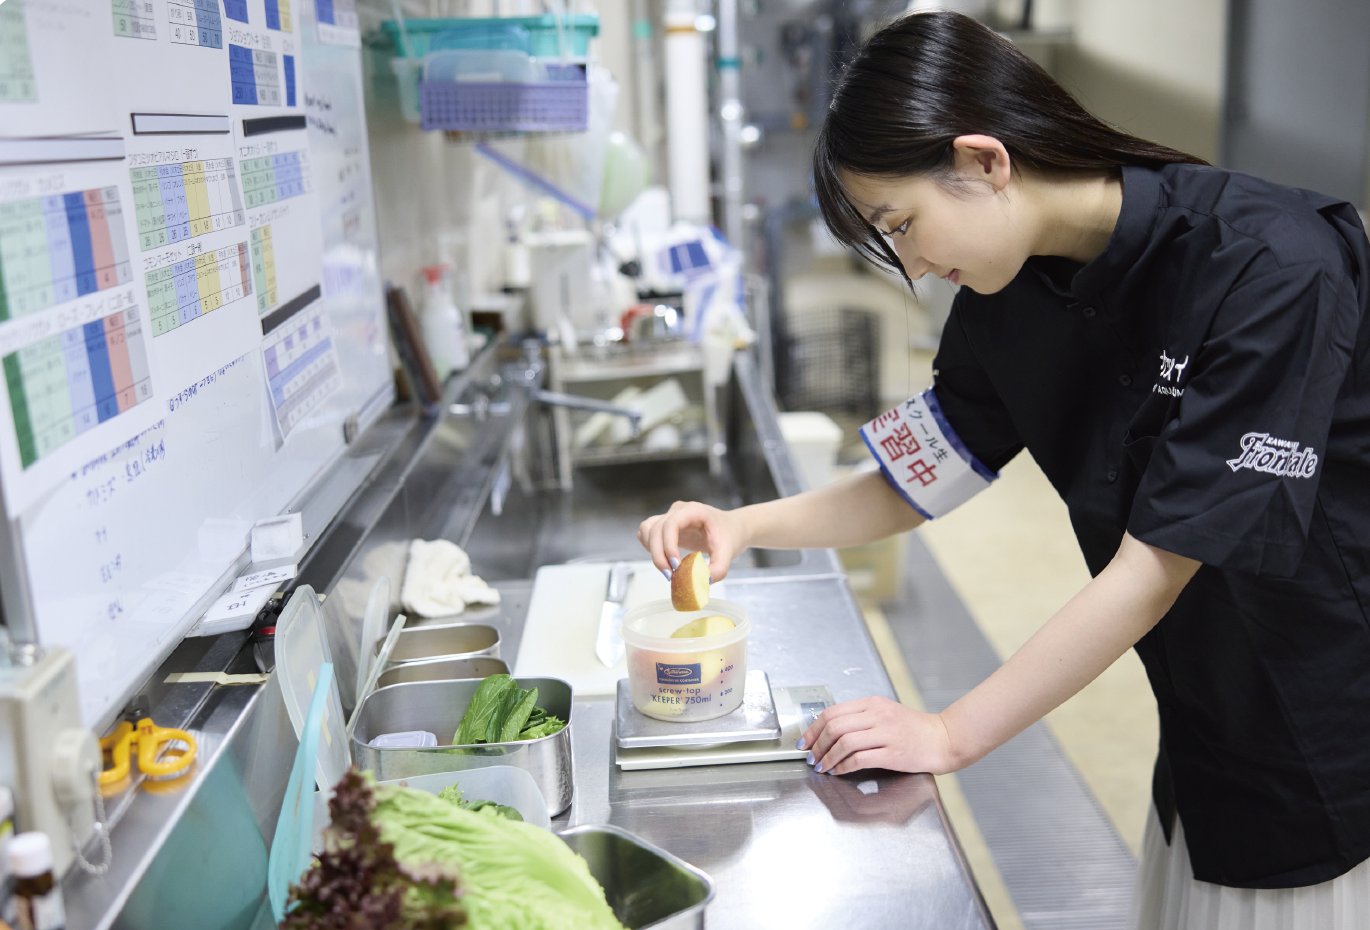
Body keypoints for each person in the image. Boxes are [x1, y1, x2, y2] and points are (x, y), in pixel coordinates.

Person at [637, 10, 1370, 929]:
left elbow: (1155, 565)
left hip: (1325, 736)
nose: (911, 265)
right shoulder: (1009, 290)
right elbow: (923, 474)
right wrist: (748, 524)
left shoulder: (1271, 265)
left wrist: (949, 733)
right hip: (1200, 726)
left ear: (986, 161)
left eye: (903, 225)